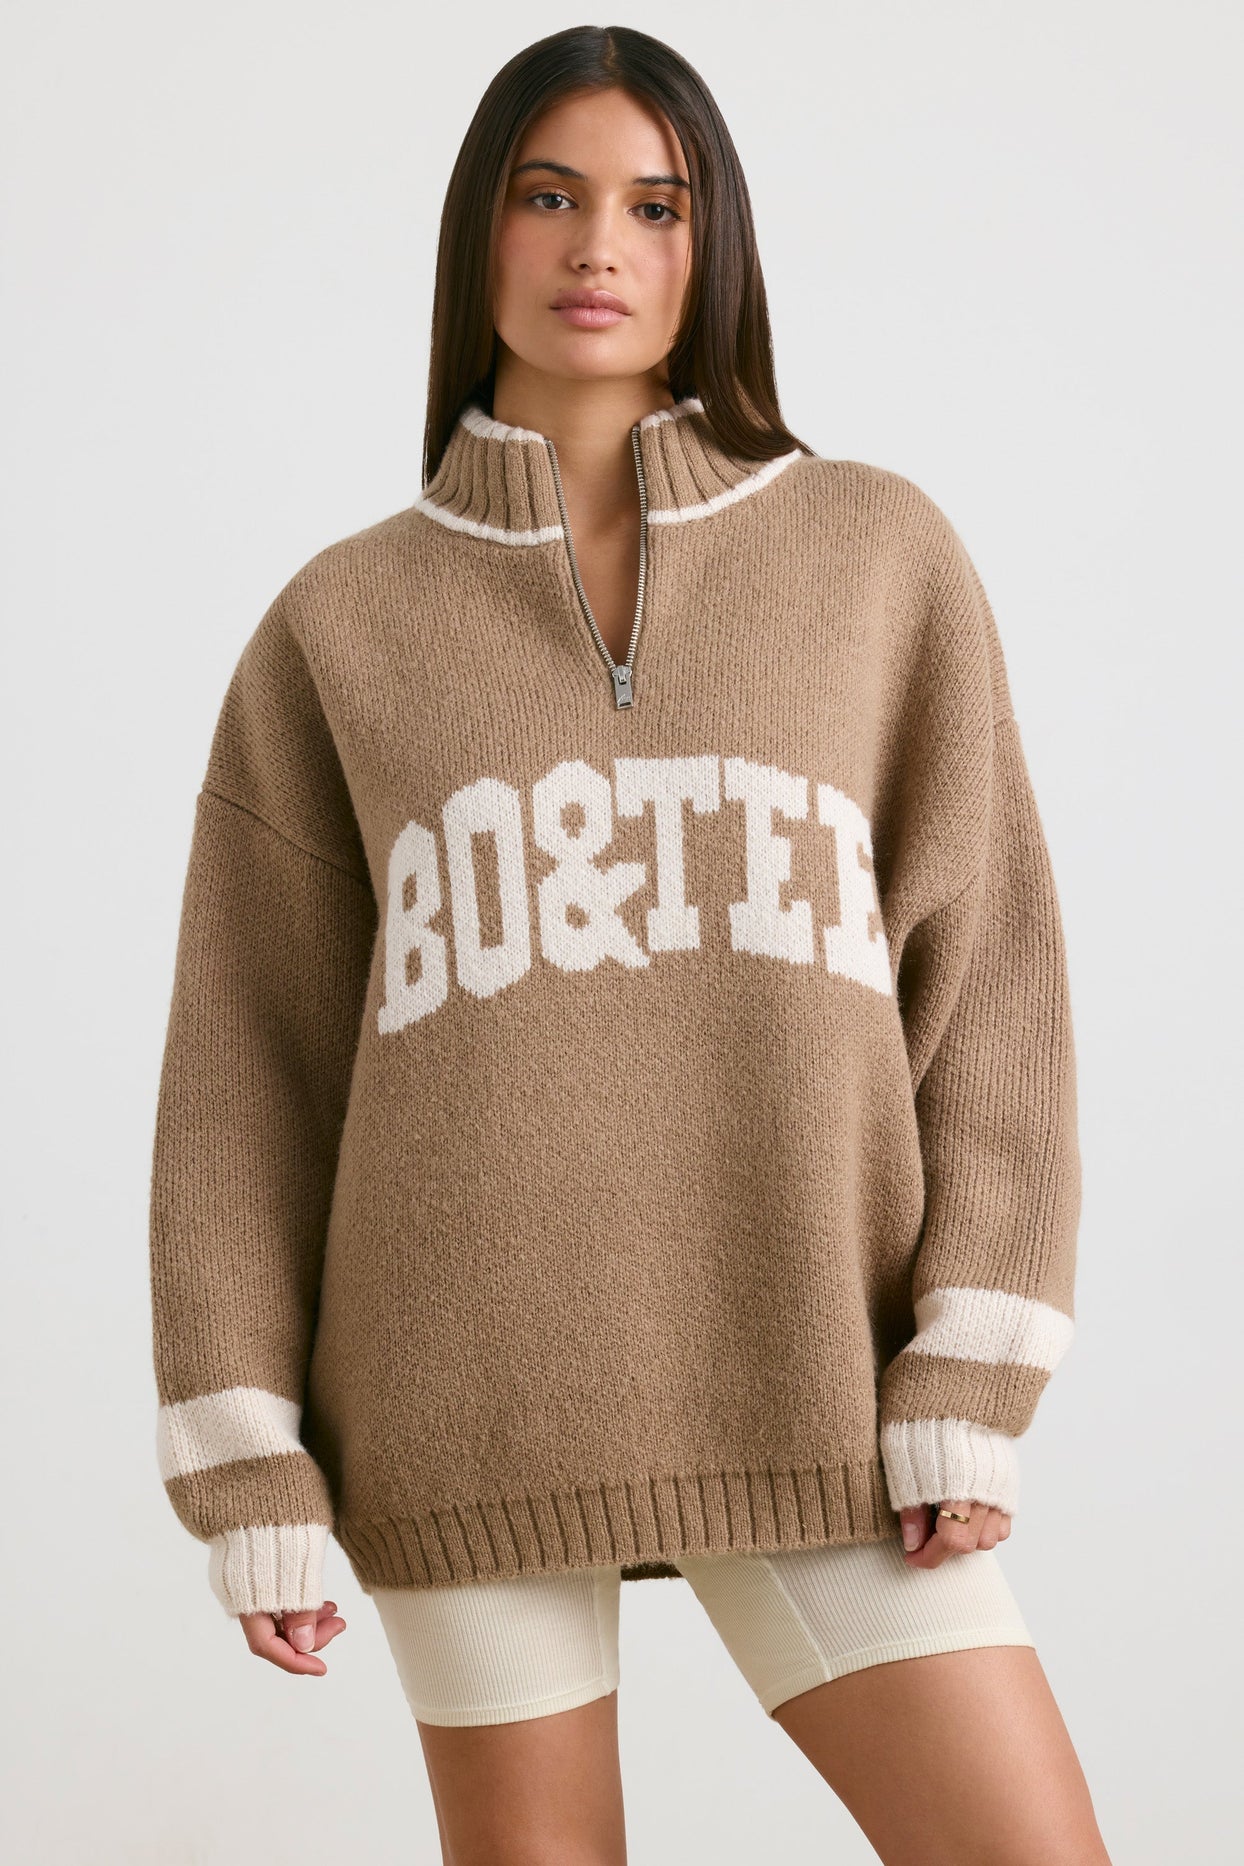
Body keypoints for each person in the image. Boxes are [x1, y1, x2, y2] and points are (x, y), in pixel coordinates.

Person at [148, 23, 1112, 1865]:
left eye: (655, 206)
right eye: (551, 195)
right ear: (481, 231)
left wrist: (970, 1365)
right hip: (456, 1397)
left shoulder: (876, 554)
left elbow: (991, 987)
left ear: (710, 244)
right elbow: (244, 1083)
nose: (600, 244)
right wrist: (244, 1455)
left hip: (818, 1377)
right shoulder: (337, 625)